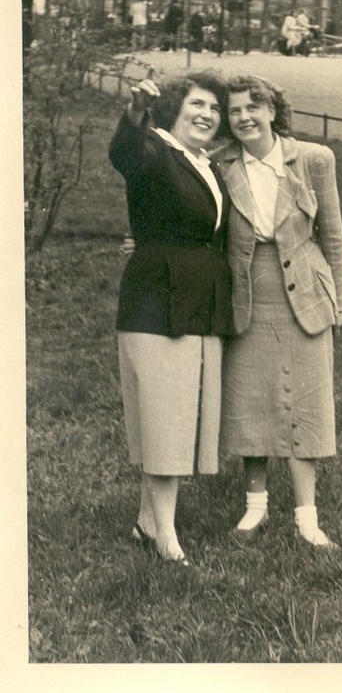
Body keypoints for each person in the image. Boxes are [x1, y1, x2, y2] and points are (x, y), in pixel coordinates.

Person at [214, 75, 342, 550]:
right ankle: (255, 507)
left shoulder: (313, 160)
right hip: (248, 297)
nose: (245, 117)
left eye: (254, 107)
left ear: (273, 110)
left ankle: (307, 517)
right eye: (235, 111)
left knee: (308, 403)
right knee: (250, 400)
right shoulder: (221, 164)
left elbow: (333, 235)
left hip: (306, 296)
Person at [108, 71, 233, 565]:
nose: (207, 115)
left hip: (197, 301)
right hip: (157, 302)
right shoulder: (156, 149)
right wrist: (135, 111)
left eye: (214, 109)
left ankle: (146, 523)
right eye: (197, 105)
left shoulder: (204, 163)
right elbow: (125, 156)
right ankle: (166, 536)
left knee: (175, 420)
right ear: (174, 110)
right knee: (165, 421)